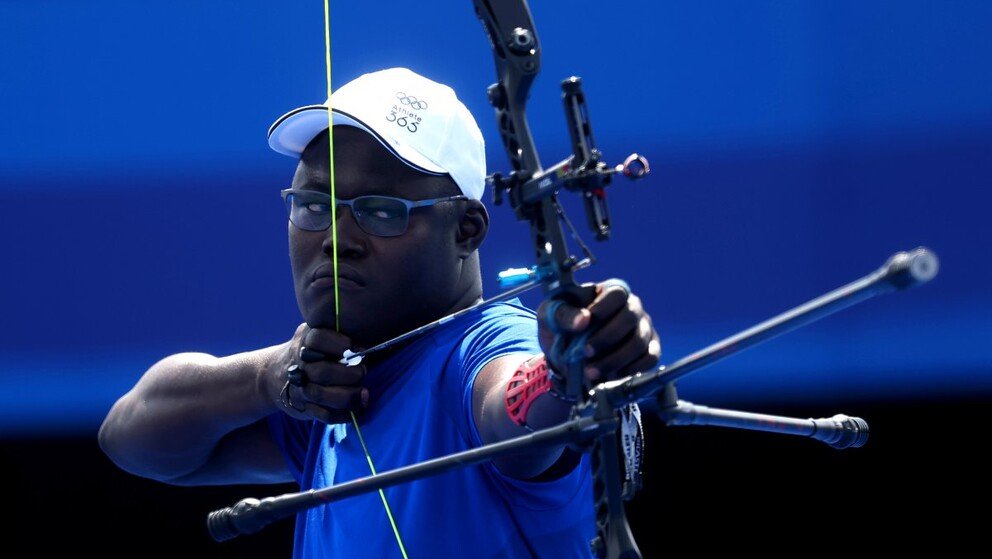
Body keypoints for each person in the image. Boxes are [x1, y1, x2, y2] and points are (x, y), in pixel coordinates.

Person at [99, 67, 661, 558]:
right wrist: (269, 378)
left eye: (380, 212)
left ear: (466, 229)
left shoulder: (476, 354)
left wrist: (569, 367)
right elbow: (131, 440)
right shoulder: (335, 390)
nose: (336, 240)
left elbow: (514, 402)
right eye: (314, 206)